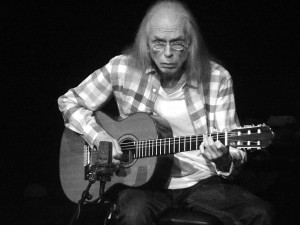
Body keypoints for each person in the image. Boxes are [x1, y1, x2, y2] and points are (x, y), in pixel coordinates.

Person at [58, 0, 273, 224]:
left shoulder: (217, 78)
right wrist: (99, 137)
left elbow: (234, 152)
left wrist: (224, 158)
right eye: (159, 43)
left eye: (177, 43)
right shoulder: (122, 68)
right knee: (133, 214)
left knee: (261, 213)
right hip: (142, 185)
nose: (168, 53)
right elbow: (69, 102)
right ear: (146, 44)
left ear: (190, 44)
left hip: (200, 182)